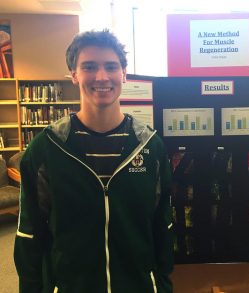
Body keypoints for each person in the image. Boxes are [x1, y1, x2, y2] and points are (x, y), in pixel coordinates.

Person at [14, 29, 173, 293]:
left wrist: (163, 286)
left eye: (111, 66)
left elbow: (163, 228)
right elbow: (29, 235)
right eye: (89, 67)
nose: (102, 77)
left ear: (123, 73)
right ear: (74, 75)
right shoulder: (46, 149)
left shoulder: (150, 147)